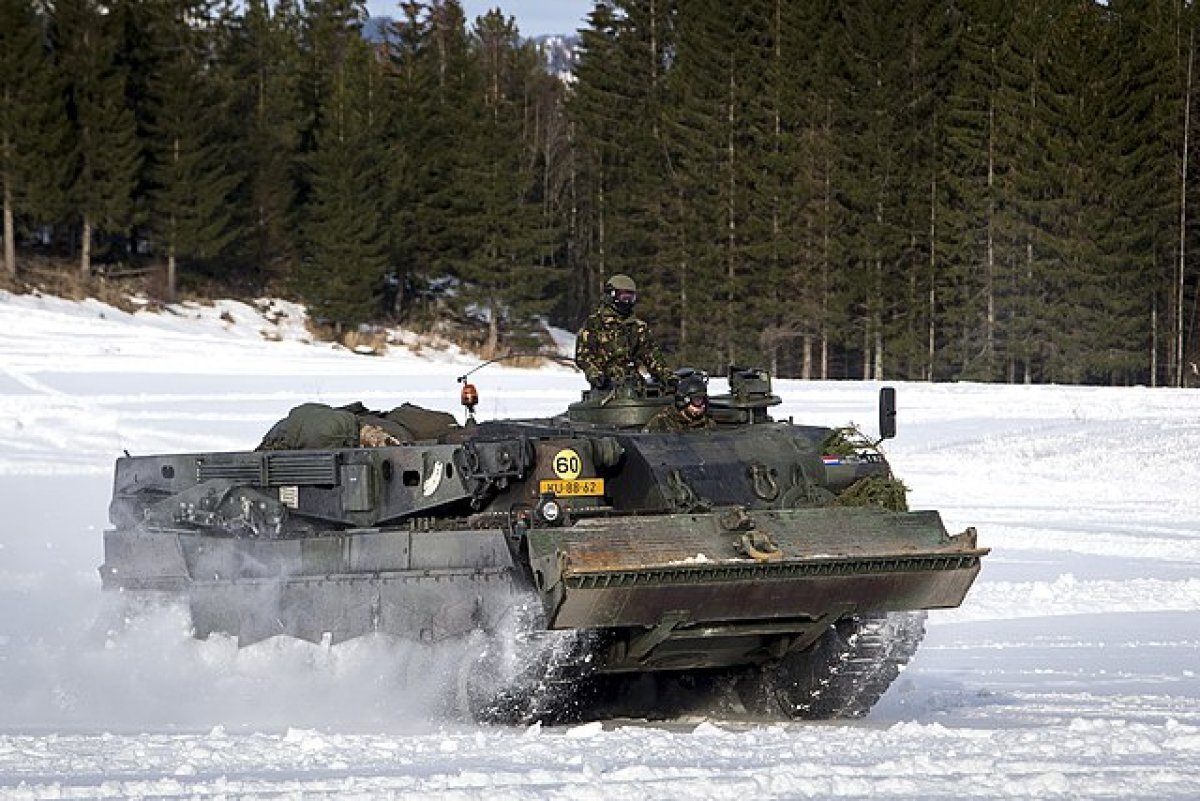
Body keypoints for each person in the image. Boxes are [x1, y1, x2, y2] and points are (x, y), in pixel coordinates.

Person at [575, 274, 674, 390]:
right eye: (623, 297)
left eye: (630, 298)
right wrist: (594, 373)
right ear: (611, 296)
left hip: (634, 387)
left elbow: (651, 355)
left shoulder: (638, 327)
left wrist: (667, 376)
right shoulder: (594, 325)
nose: (627, 302)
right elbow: (583, 356)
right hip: (605, 388)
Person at [645, 374, 715, 433]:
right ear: (683, 402)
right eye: (697, 401)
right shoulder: (663, 422)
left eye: (704, 400)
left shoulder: (707, 423)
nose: (703, 405)